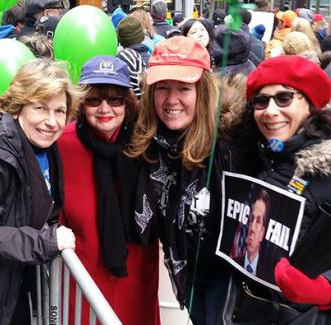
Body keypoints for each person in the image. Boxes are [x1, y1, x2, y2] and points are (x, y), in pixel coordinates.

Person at [126, 36, 257, 325]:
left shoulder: (231, 142)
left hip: (228, 281)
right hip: (187, 273)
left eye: (183, 88)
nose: (172, 100)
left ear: (203, 90)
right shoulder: (148, 140)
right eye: (163, 88)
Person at [0, 58, 80, 325]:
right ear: (18, 107)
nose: (51, 121)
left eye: (59, 111)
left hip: (12, 287)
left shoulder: (44, 147)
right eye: (40, 108)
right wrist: (45, 243)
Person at [58, 55, 160, 325]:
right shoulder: (62, 145)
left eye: (115, 99)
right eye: (94, 100)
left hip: (136, 271)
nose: (105, 108)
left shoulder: (147, 142)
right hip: (85, 274)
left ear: (127, 102)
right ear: (82, 104)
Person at [242, 55, 331, 316]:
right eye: (261, 101)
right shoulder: (258, 155)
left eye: (284, 98)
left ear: (310, 105)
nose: (270, 111)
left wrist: (325, 288)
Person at [234, 188, 270, 277]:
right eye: (251, 219)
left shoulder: (266, 277)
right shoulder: (233, 262)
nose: (252, 228)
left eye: (258, 221)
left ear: (263, 232)